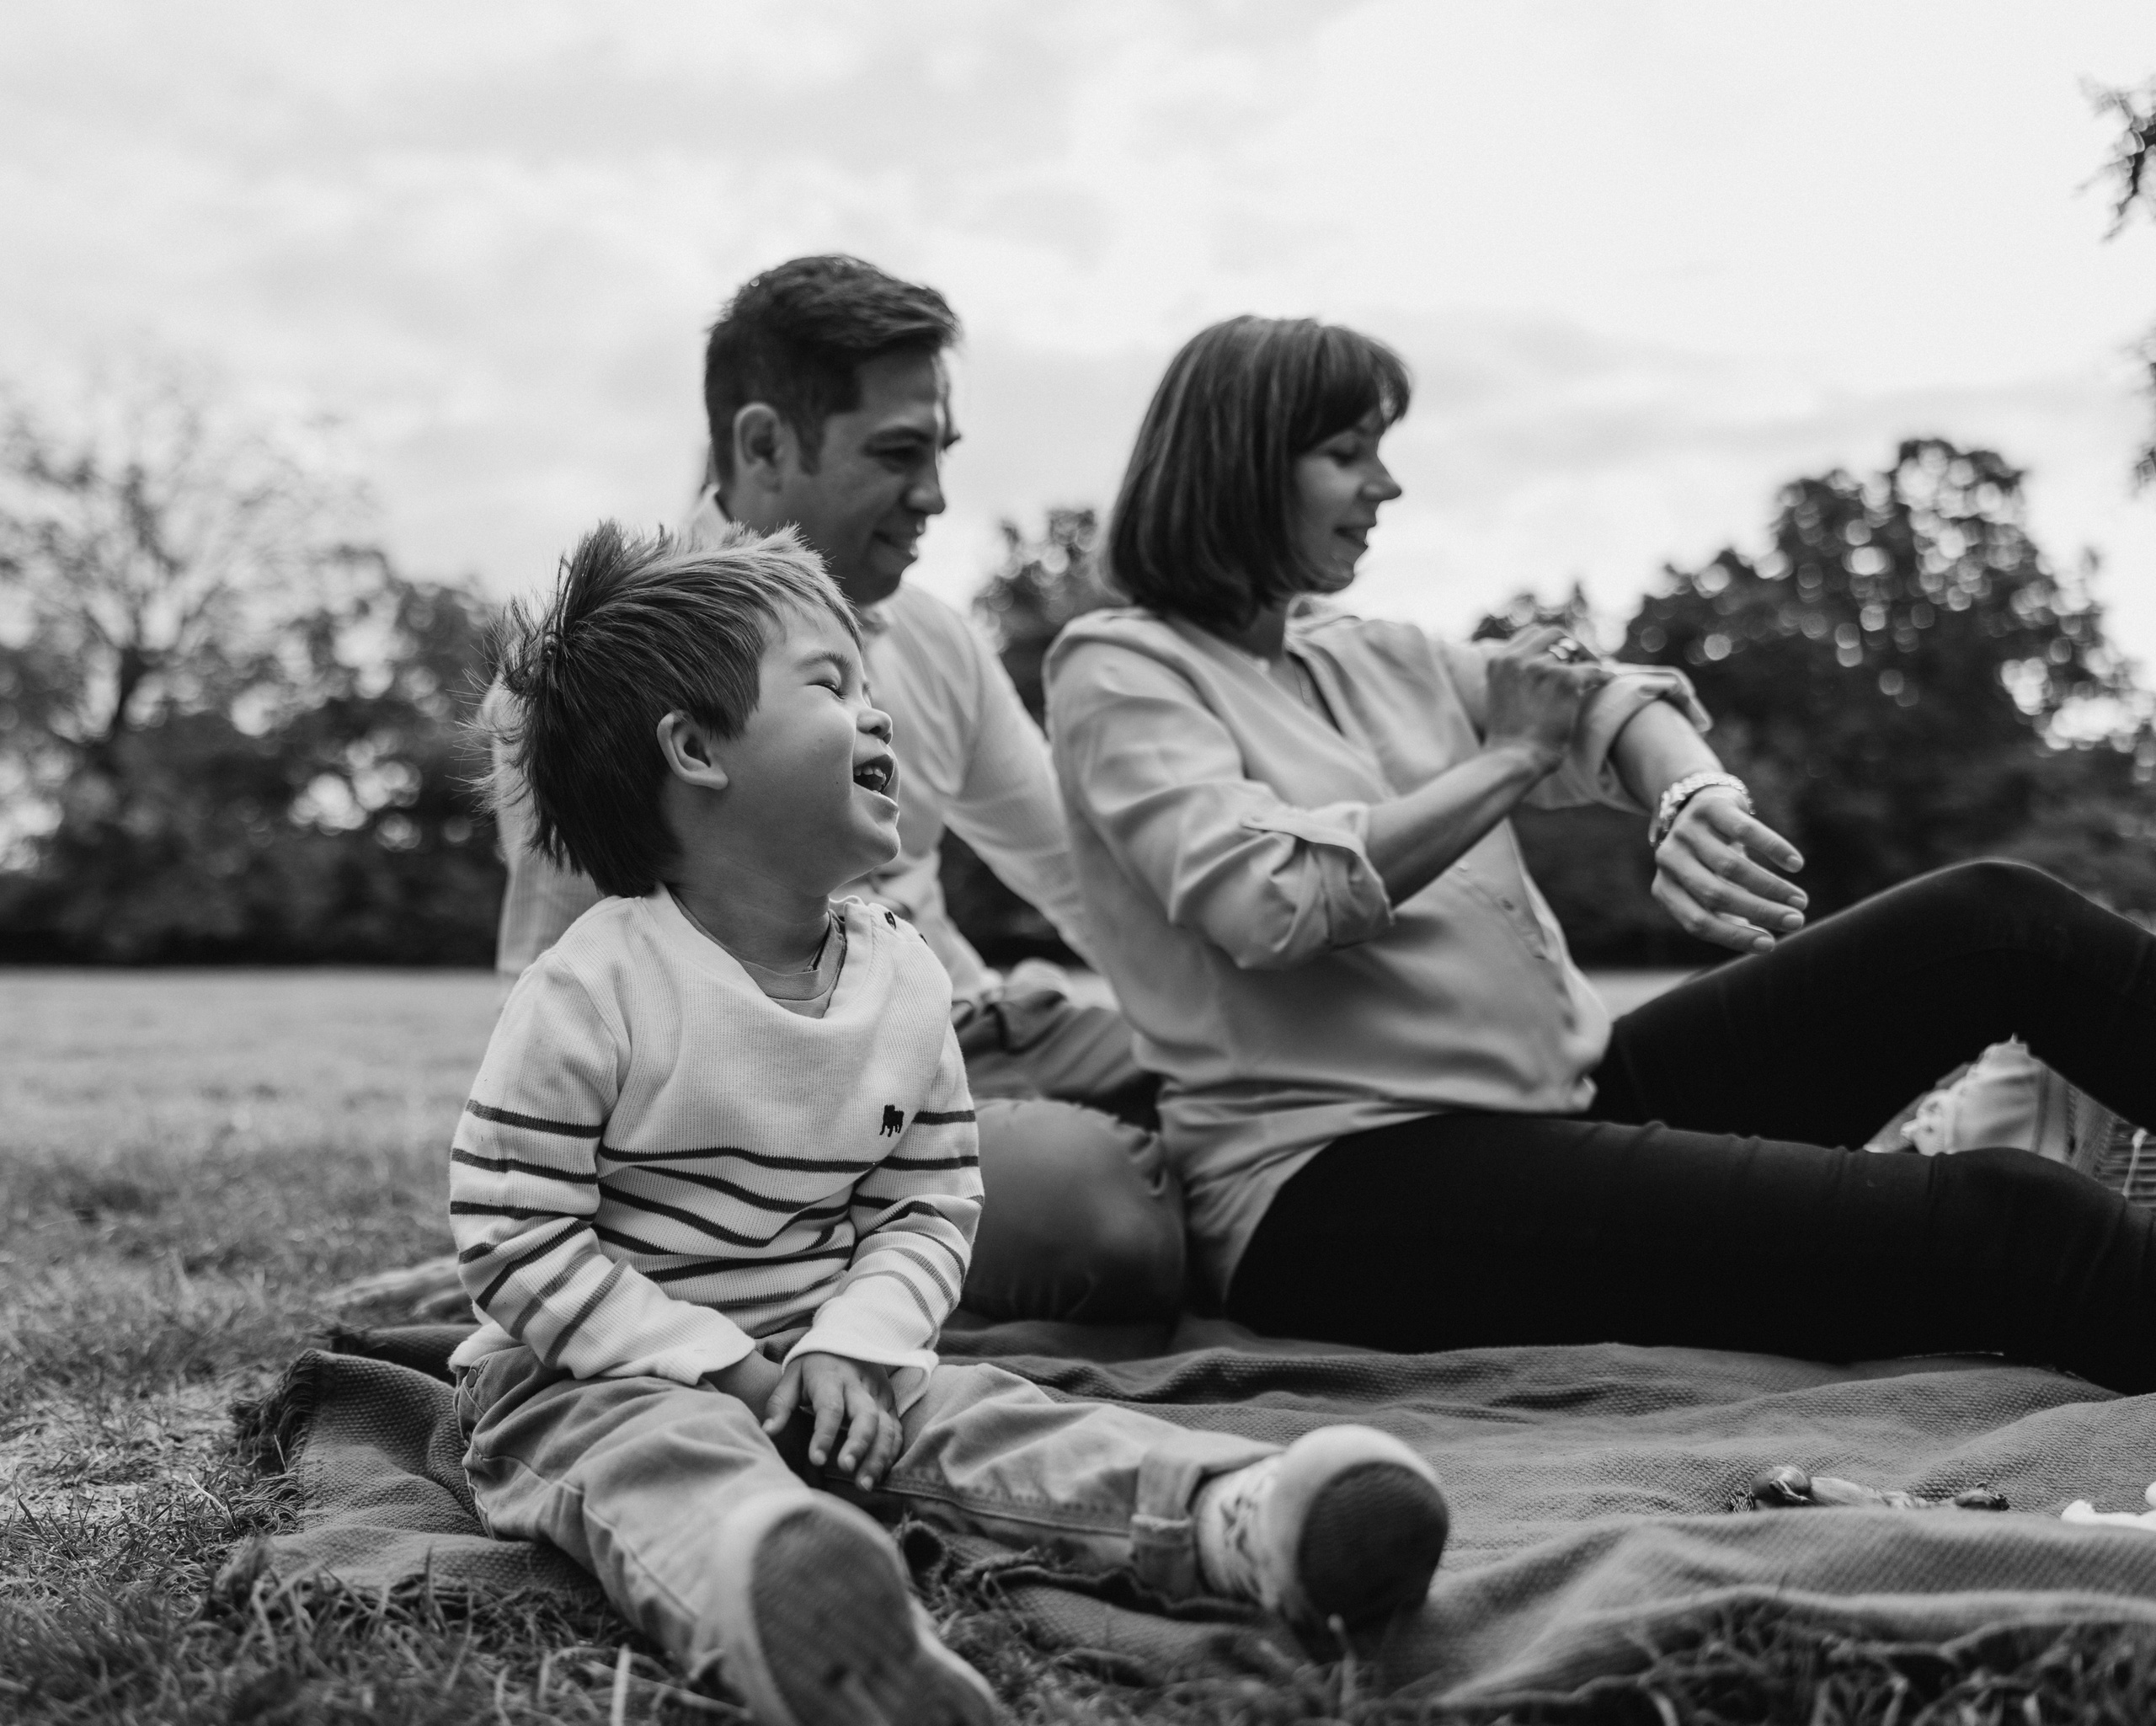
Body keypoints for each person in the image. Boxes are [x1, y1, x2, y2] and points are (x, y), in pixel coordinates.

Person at [453, 522, 1452, 1726]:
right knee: (658, 1465)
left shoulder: (907, 978)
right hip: (594, 1377)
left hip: (833, 1368)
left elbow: (929, 1202)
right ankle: (782, 1594)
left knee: (994, 1421)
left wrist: (858, 1345)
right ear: (695, 748)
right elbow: (515, 1233)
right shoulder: (592, 985)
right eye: (830, 684)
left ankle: (1246, 1516)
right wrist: (720, 1368)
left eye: (870, 684)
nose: (875, 714)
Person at [1043, 314, 2156, 1386]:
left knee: (1999, 922)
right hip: (1339, 1188)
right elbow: (1269, 902)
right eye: (1347, 454)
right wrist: (1509, 759)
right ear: (1239, 471)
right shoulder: (1120, 670)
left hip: (1563, 1104)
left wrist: (1692, 798)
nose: (1386, 484)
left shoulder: (1366, 648)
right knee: (2009, 1222)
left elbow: (1600, 703)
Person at [490, 255, 1182, 1323]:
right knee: (1099, 1210)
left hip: (974, 1021)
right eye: (898, 453)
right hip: (797, 1103)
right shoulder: (613, 668)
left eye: (941, 452)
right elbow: (558, 975)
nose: (936, 497)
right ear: (765, 443)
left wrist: (1231, 1040)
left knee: (1246, 1079)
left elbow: (1080, 876)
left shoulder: (937, 640)